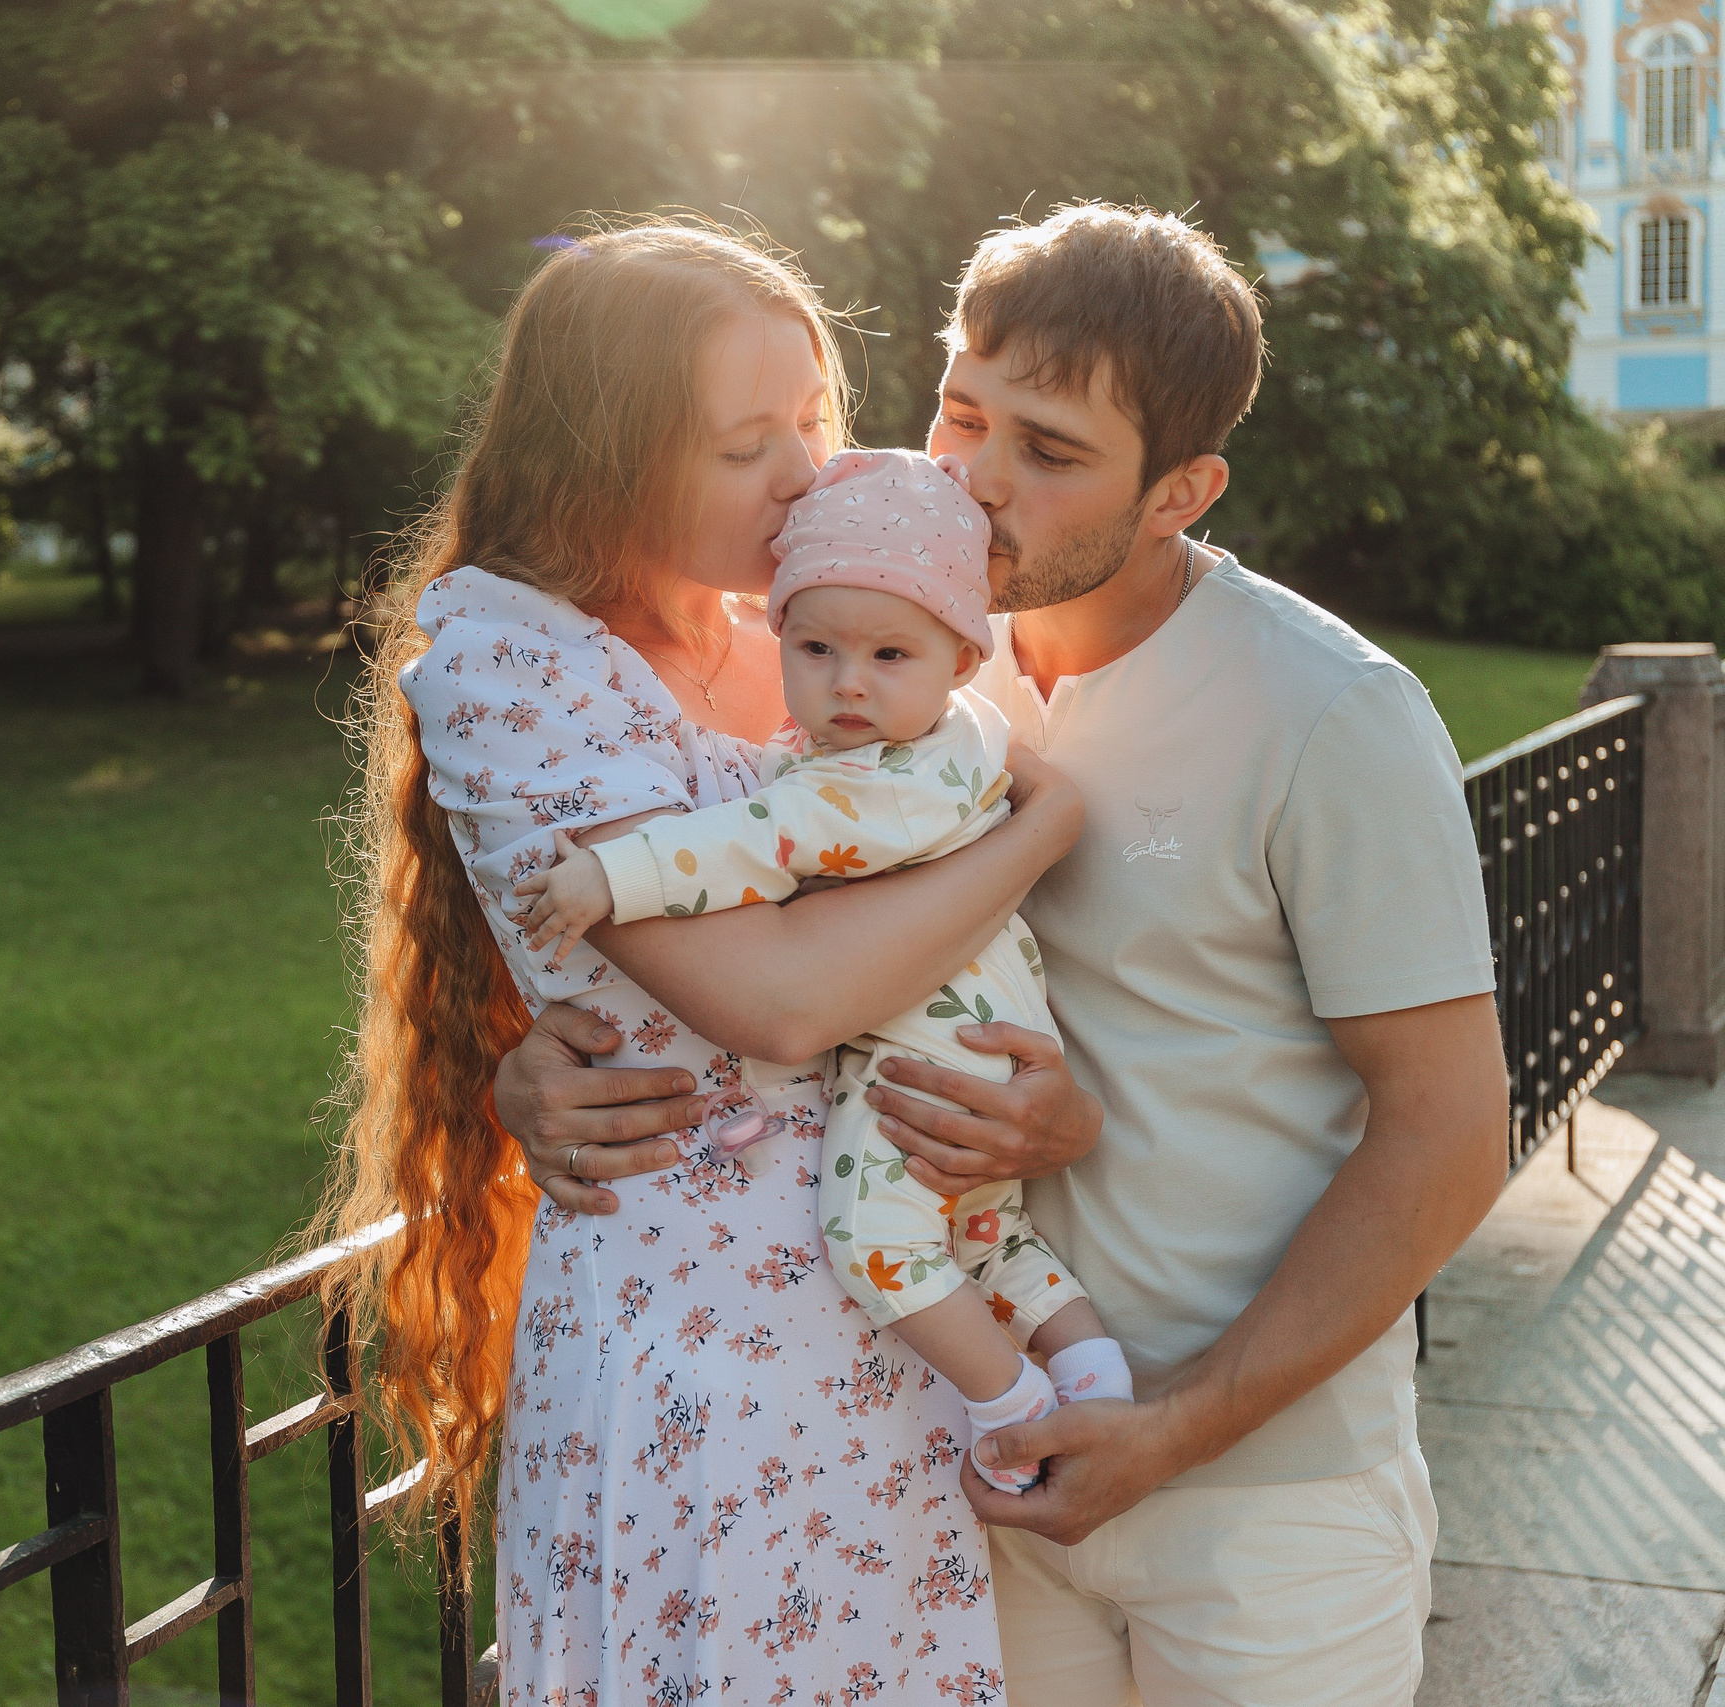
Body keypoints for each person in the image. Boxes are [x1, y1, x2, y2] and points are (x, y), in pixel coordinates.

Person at [490, 203, 1511, 1706]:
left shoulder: (1331, 715)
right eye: (964, 412)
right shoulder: (873, 666)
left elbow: (1451, 1129)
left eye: (1051, 449)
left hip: (1257, 1498)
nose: (975, 476)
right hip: (959, 1462)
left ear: (1181, 490)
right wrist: (527, 1064)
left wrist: (1175, 1427)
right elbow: (725, 919)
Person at [318, 220, 1100, 1705]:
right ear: (604, 459)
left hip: (896, 1304)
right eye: (750, 445)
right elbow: (780, 1001)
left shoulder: (824, 628)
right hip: (703, 1344)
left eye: (811, 419)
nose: (806, 471)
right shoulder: (515, 661)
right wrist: (1034, 826)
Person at [512, 446, 1133, 1494]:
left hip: (930, 1063)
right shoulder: (954, 740)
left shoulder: (882, 784)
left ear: (958, 662)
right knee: (985, 1243)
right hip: (975, 1059)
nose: (847, 682)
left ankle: (1014, 1412)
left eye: (889, 656)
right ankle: (1093, 1374)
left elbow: (763, 837)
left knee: (872, 1236)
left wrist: (612, 877)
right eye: (815, 648)